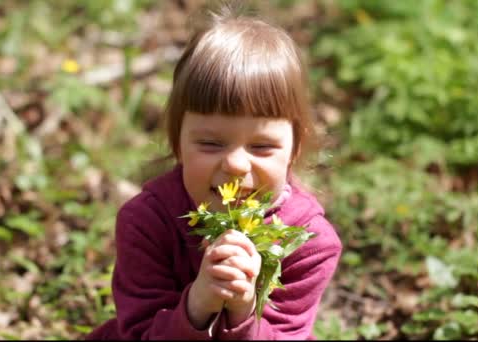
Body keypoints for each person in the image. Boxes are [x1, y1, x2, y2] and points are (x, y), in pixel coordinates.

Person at [86, 1, 342, 339]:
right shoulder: (147, 221)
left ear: (294, 148)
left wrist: (243, 311)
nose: (236, 165)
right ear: (177, 142)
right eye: (211, 143)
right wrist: (196, 305)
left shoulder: (309, 244)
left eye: (262, 146)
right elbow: (139, 330)